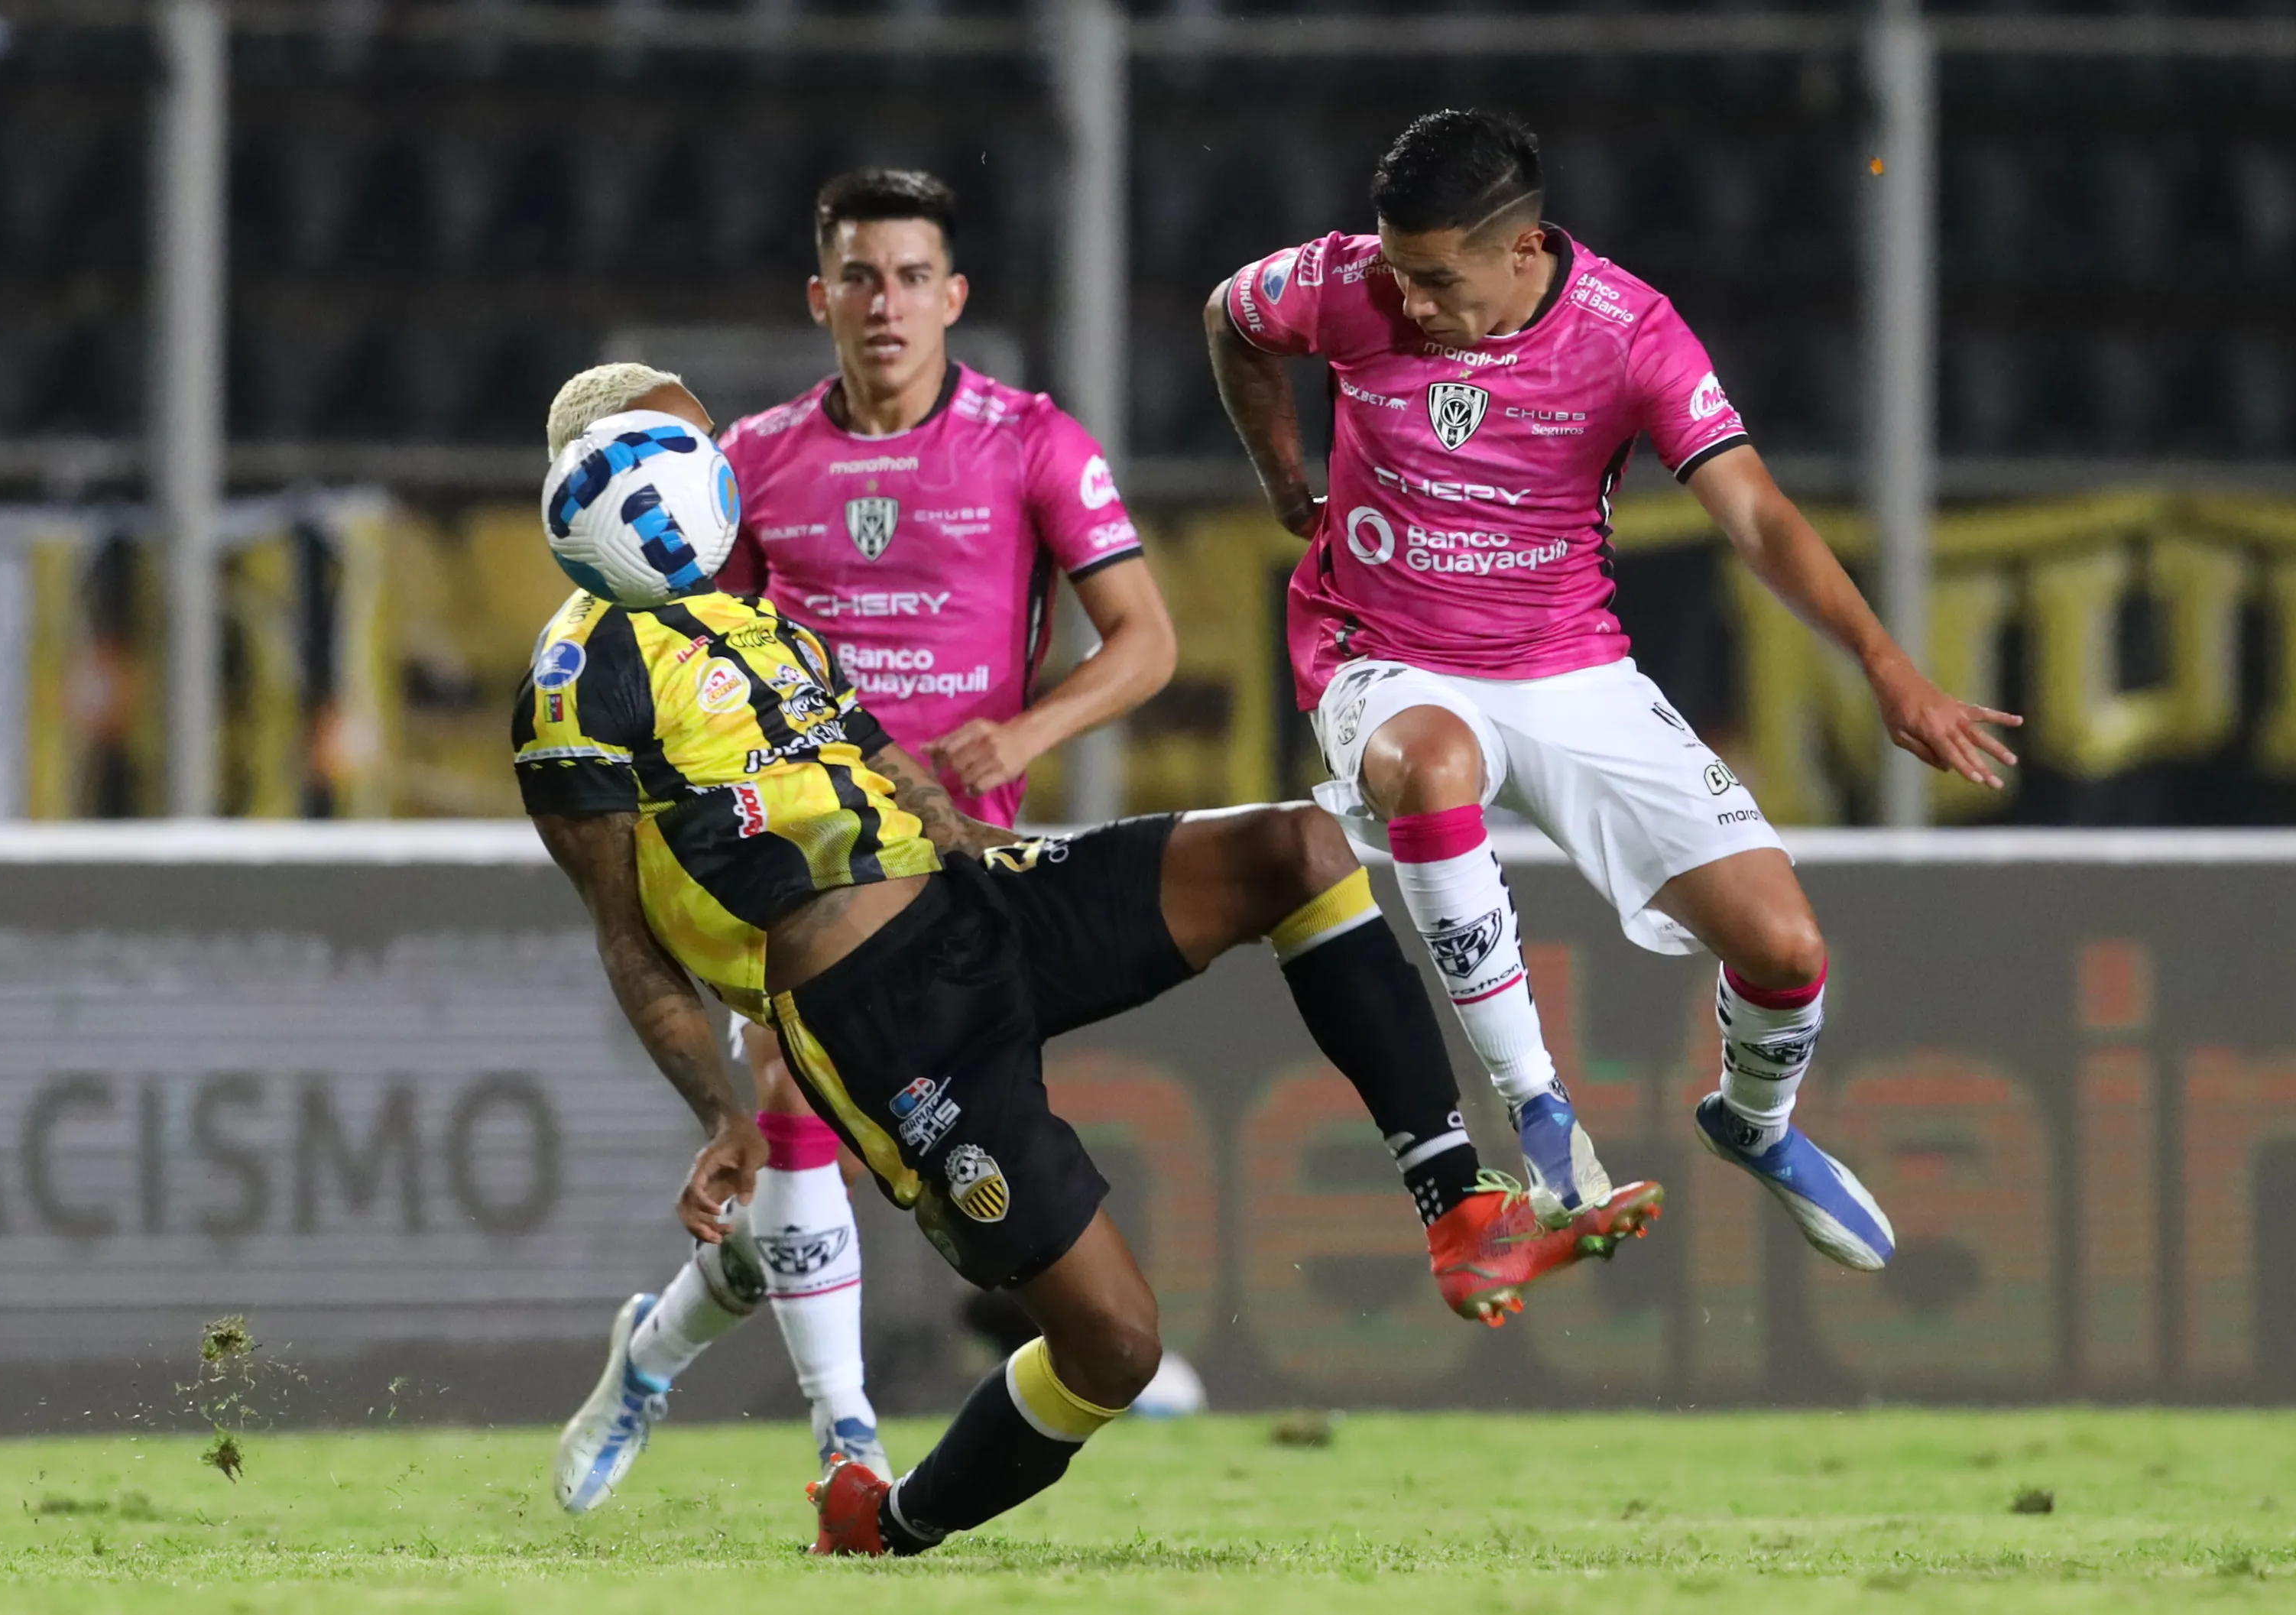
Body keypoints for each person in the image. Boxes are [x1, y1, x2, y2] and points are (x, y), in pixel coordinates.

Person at [514, 403, 1663, 1546]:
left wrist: (994, 855)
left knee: (1296, 847)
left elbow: (881, 768)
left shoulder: (767, 629)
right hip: (884, 1017)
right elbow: (625, 933)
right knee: (1116, 1346)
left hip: (983, 896)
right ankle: (886, 1522)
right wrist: (720, 1109)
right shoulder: (576, 682)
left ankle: (1458, 1206)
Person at [1206, 109, 2022, 1268]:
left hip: (1571, 670)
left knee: (1785, 951)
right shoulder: (1345, 285)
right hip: (1381, 652)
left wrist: (1889, 667)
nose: (1414, 304)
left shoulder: (1629, 332)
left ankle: (1755, 1122)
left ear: (1524, 251)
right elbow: (1230, 321)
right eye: (1399, 274)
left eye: (1439, 280)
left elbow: (1753, 512)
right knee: (1432, 763)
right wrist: (1286, 478)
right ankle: (1539, 1115)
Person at [546, 168, 1177, 1504]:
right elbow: (694, 656)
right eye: (858, 276)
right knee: (788, 1108)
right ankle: (849, 1442)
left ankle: (652, 1359)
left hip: (962, 867)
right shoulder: (747, 467)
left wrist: (1026, 735)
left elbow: (1149, 644)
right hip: (806, 860)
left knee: (836, 1167)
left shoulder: (1033, 444)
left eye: (909, 277)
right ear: (819, 294)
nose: (883, 303)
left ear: (951, 298)